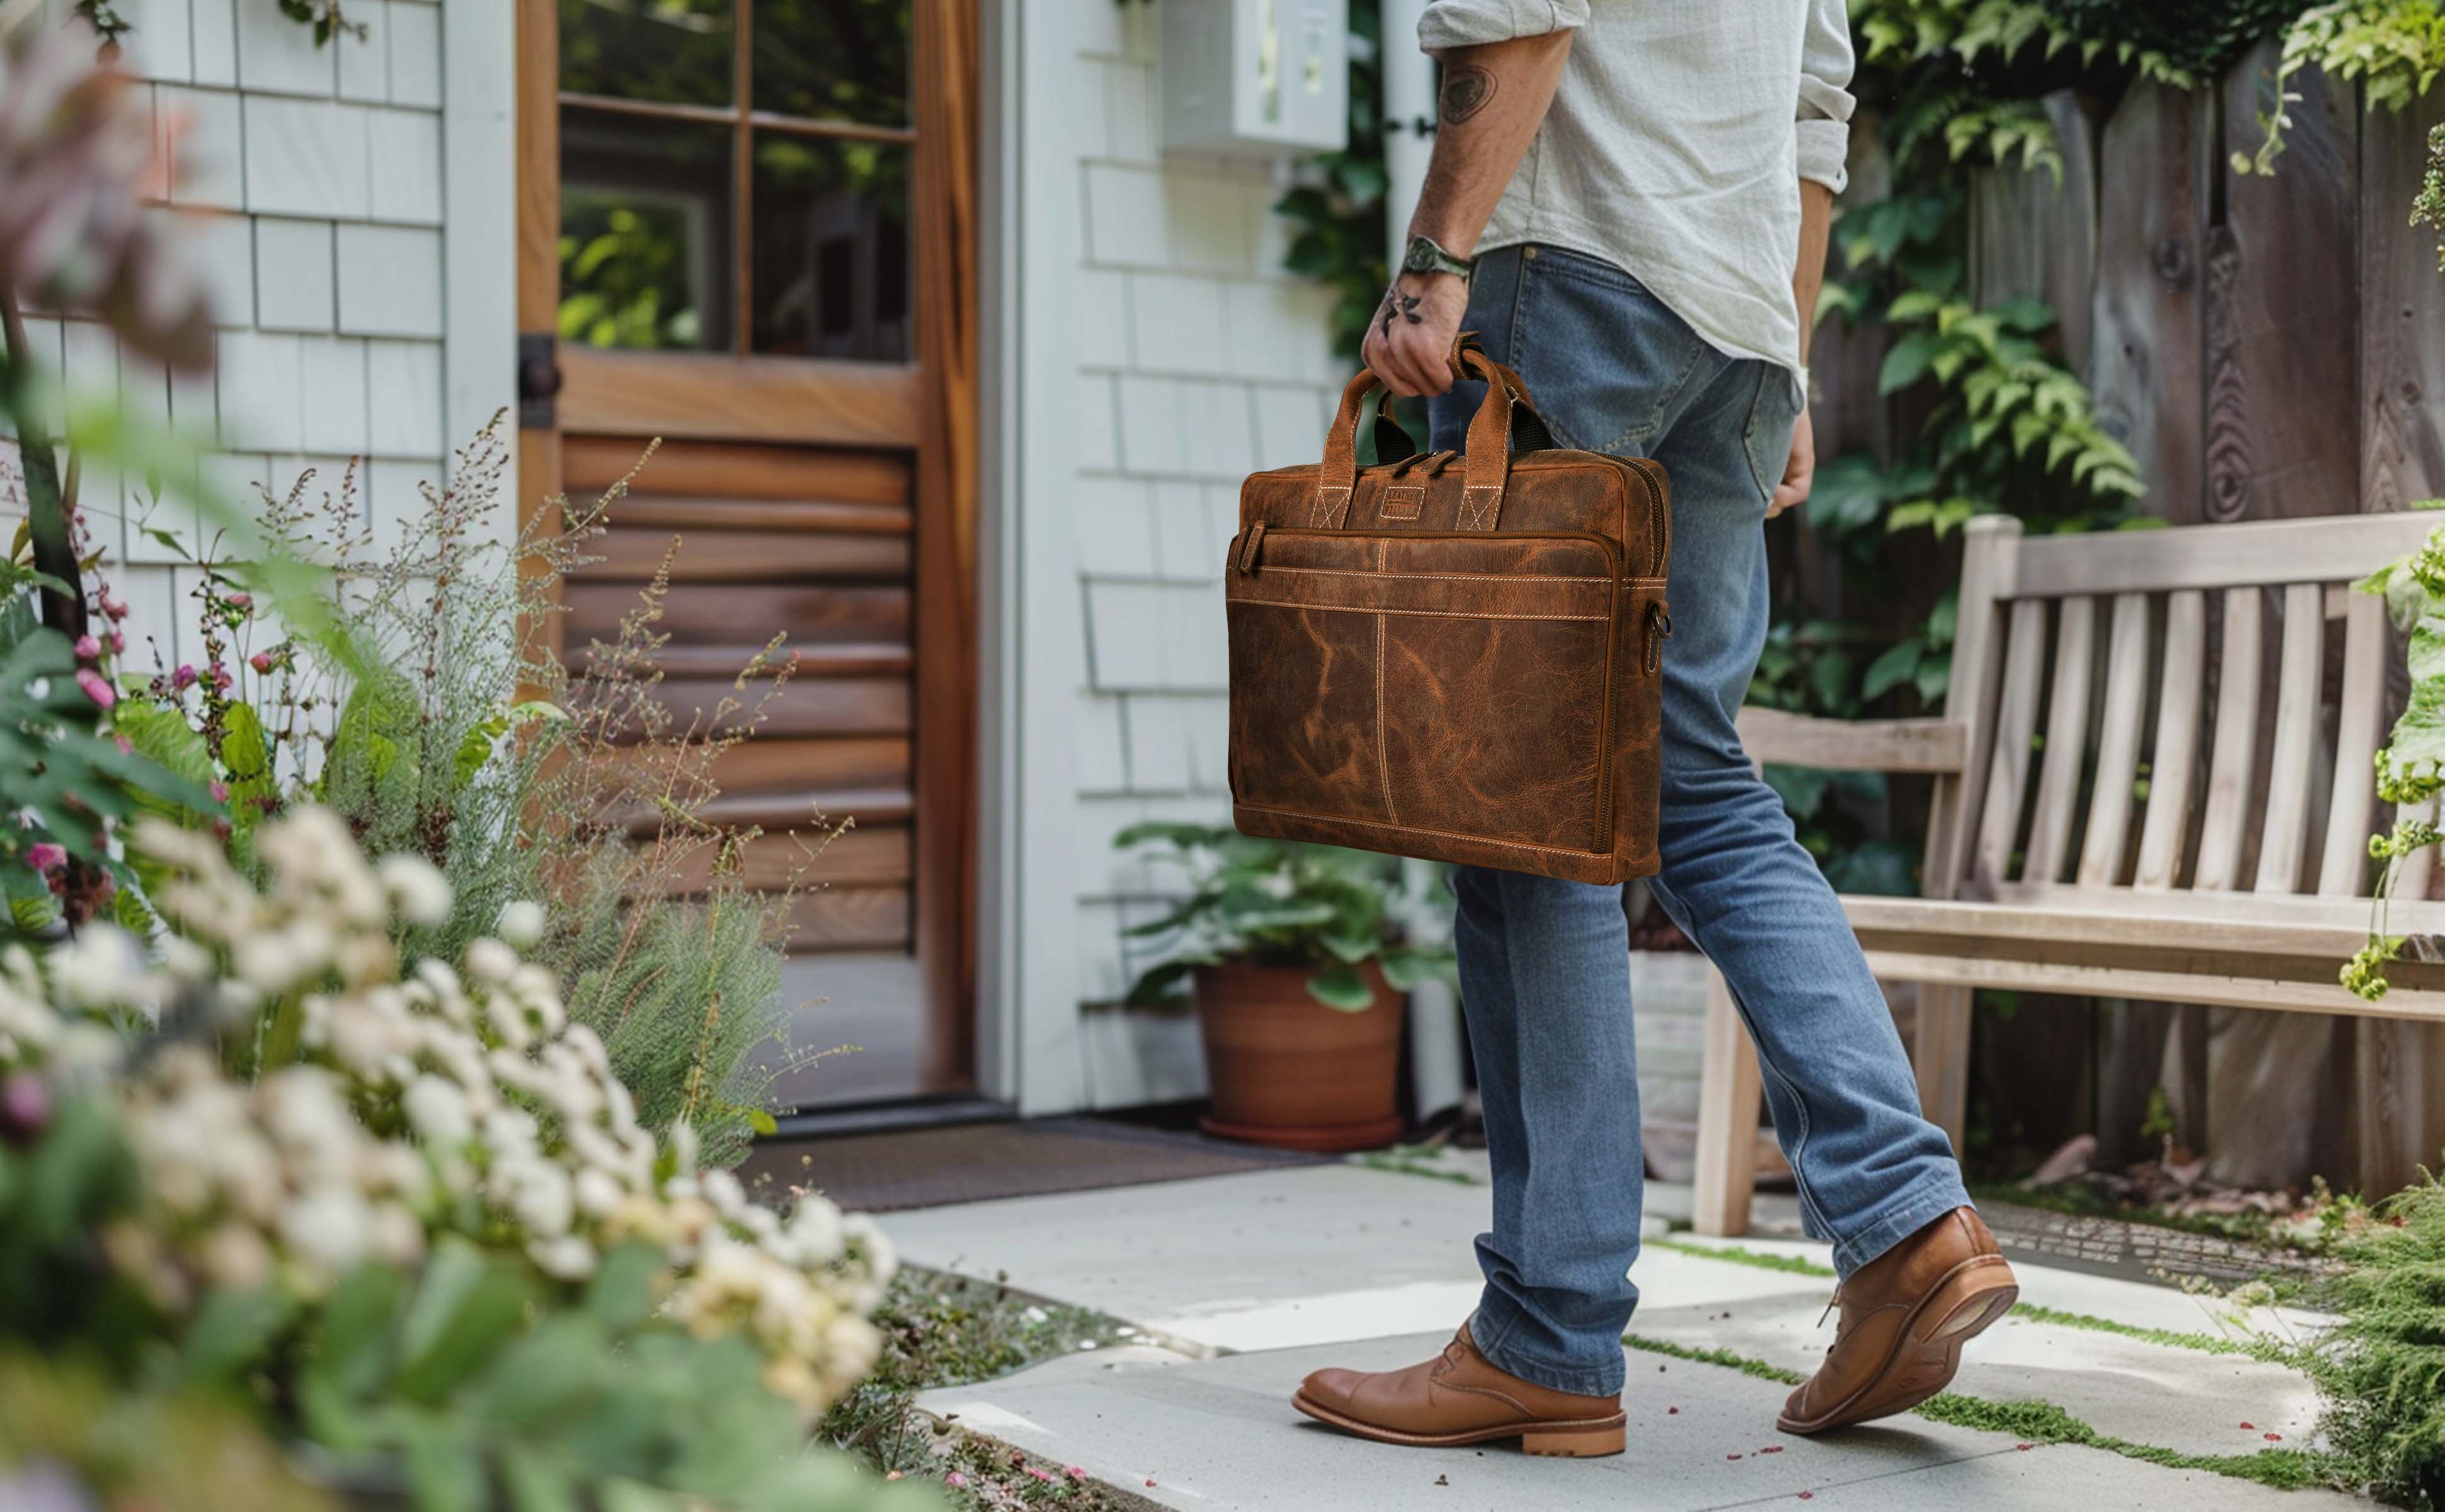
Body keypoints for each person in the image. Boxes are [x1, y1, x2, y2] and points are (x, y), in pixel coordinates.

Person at [1287, 0, 2020, 1458]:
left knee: (1522, 800)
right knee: (1695, 785)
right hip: (1733, 324)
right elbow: (1816, 101)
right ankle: (1904, 1223)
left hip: (1570, 283)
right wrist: (1790, 354)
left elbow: (1516, 20)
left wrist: (1433, 261)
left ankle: (1547, 1338)